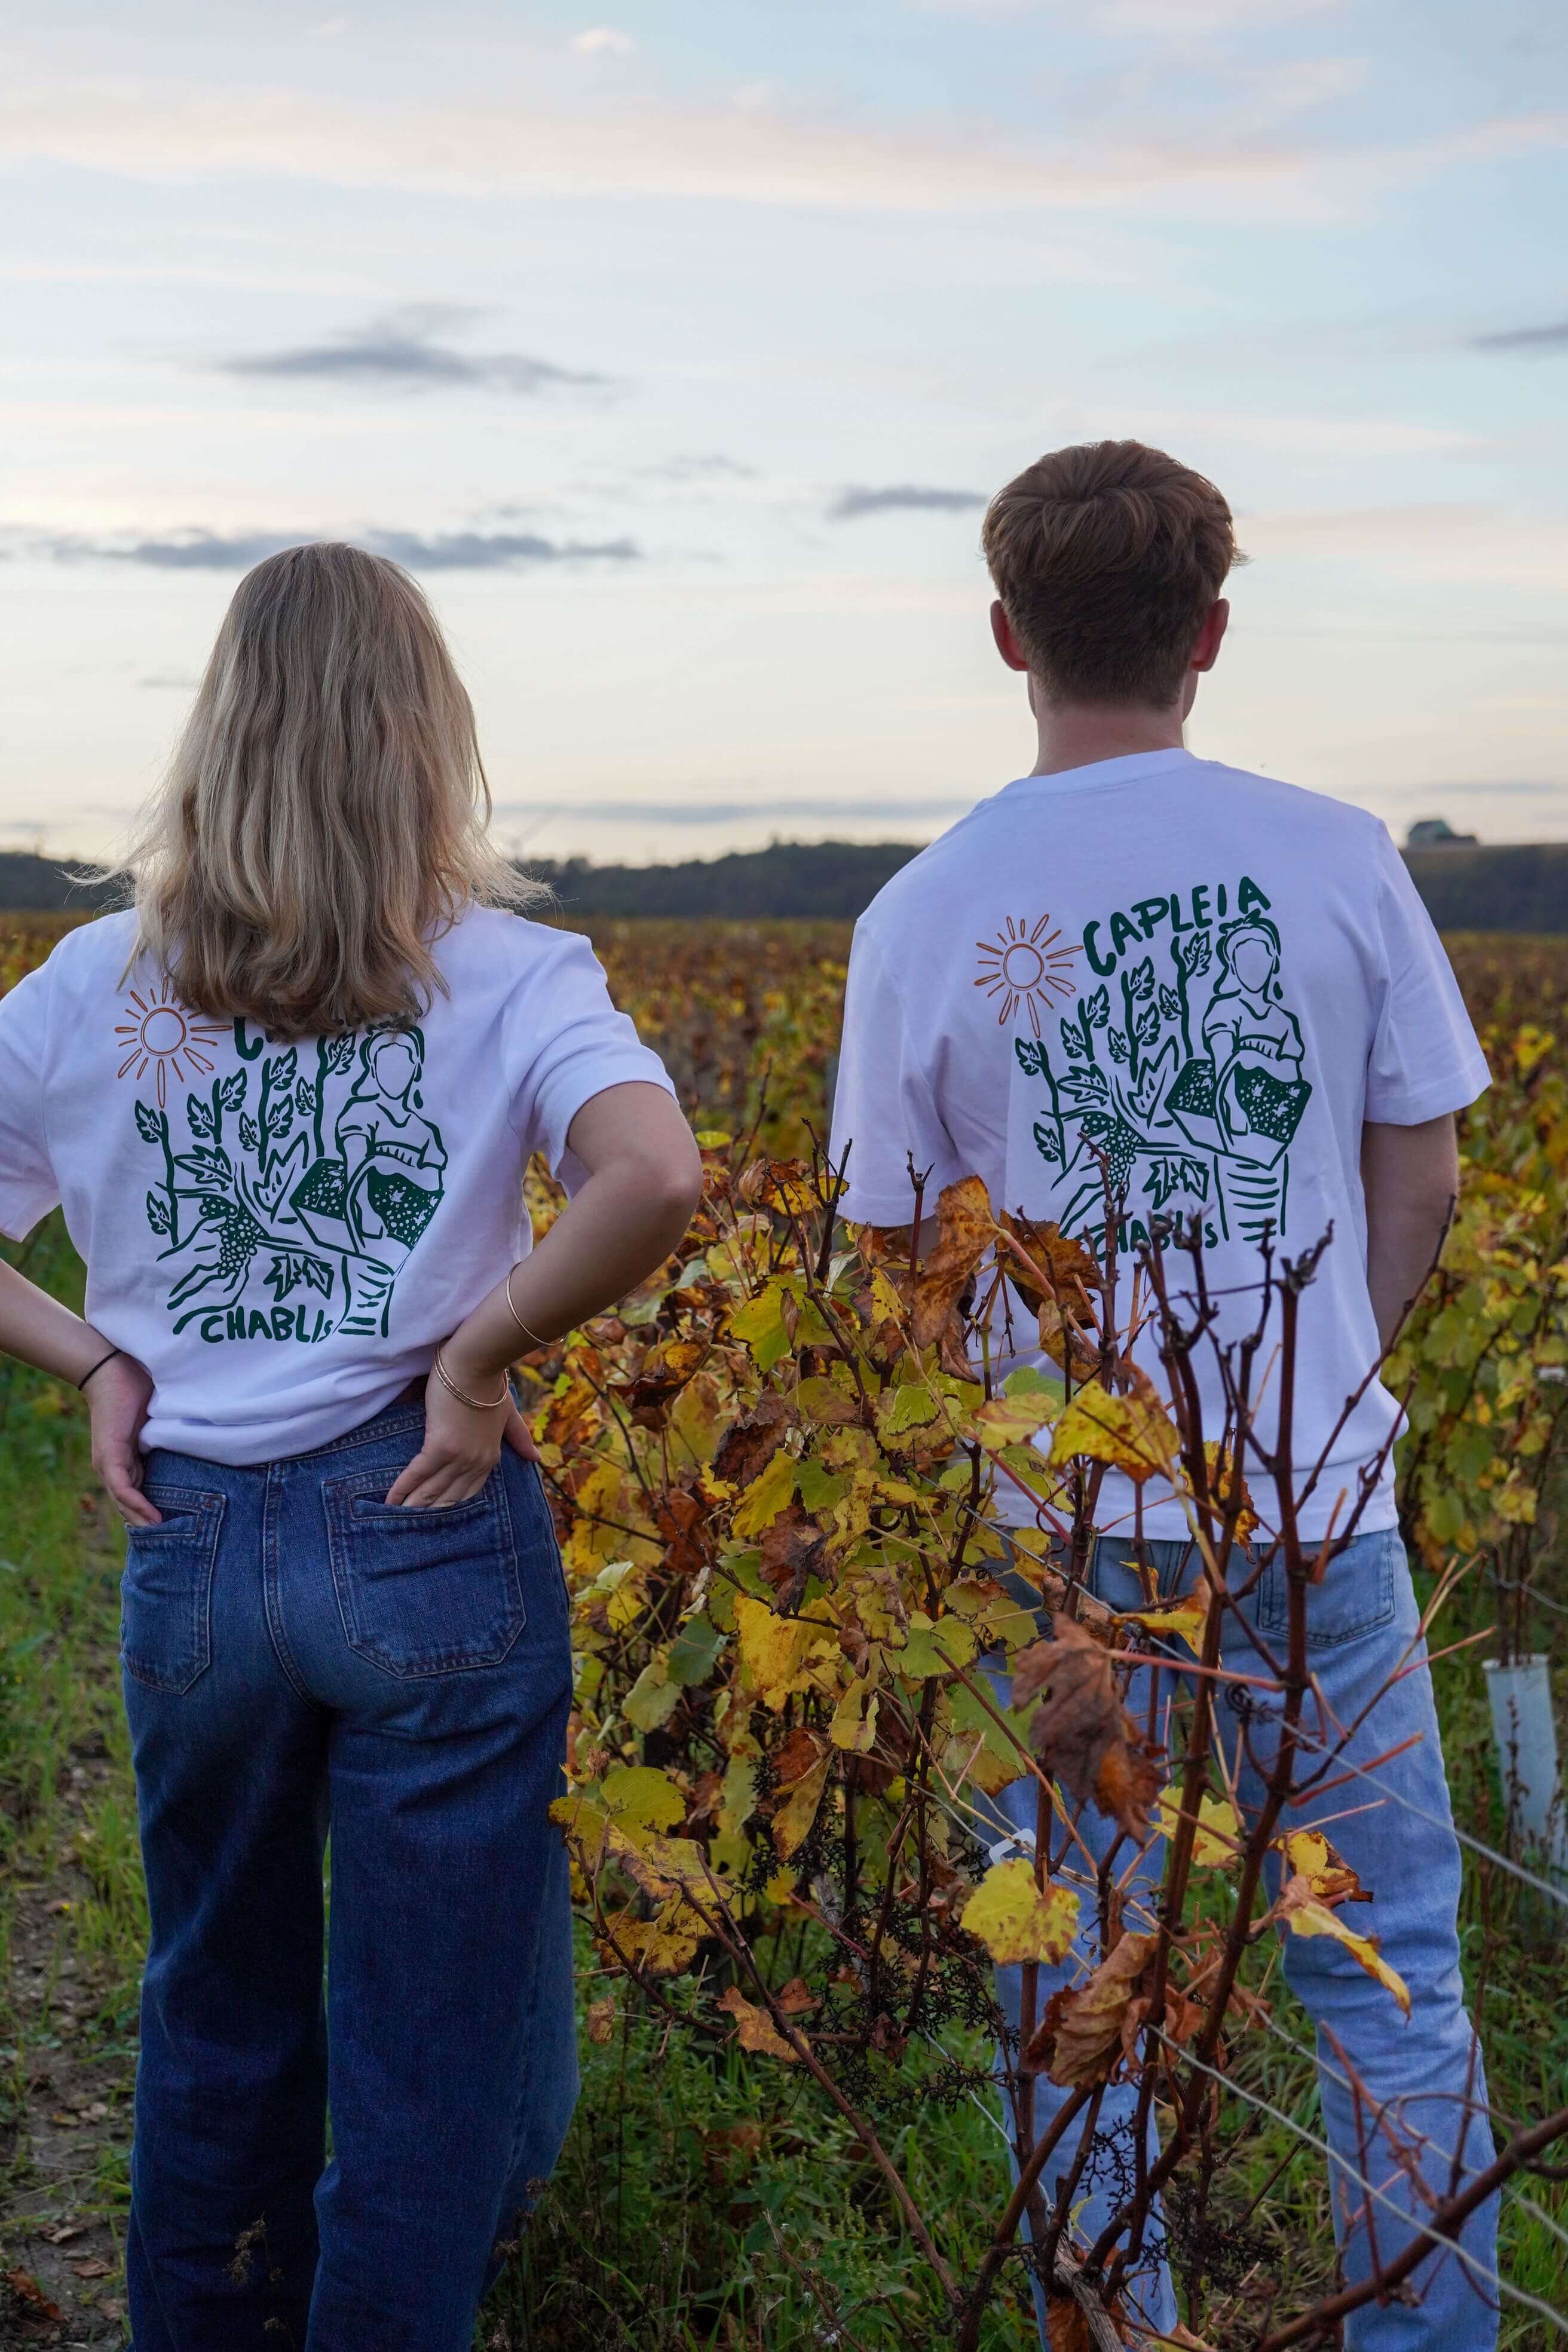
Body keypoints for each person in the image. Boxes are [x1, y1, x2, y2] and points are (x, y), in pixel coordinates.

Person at [828, 442, 1497, 2347]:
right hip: (1321, 1518)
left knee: (1079, 1990)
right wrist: (1324, 1379)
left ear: (1004, 636)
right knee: (1390, 1984)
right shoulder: (1341, 855)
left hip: (1060, 1563)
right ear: (1211, 633)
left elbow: (902, 1276)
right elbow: (1423, 1176)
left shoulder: (920, 911)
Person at [0, 544, 703, 2351]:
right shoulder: (514, 968)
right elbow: (654, 1176)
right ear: (426, 734)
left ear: (219, 733)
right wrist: (483, 1354)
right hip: (430, 1521)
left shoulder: (91, 982)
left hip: (201, 1553)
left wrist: (94, 1358)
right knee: (430, 2055)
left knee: (215, 2010)